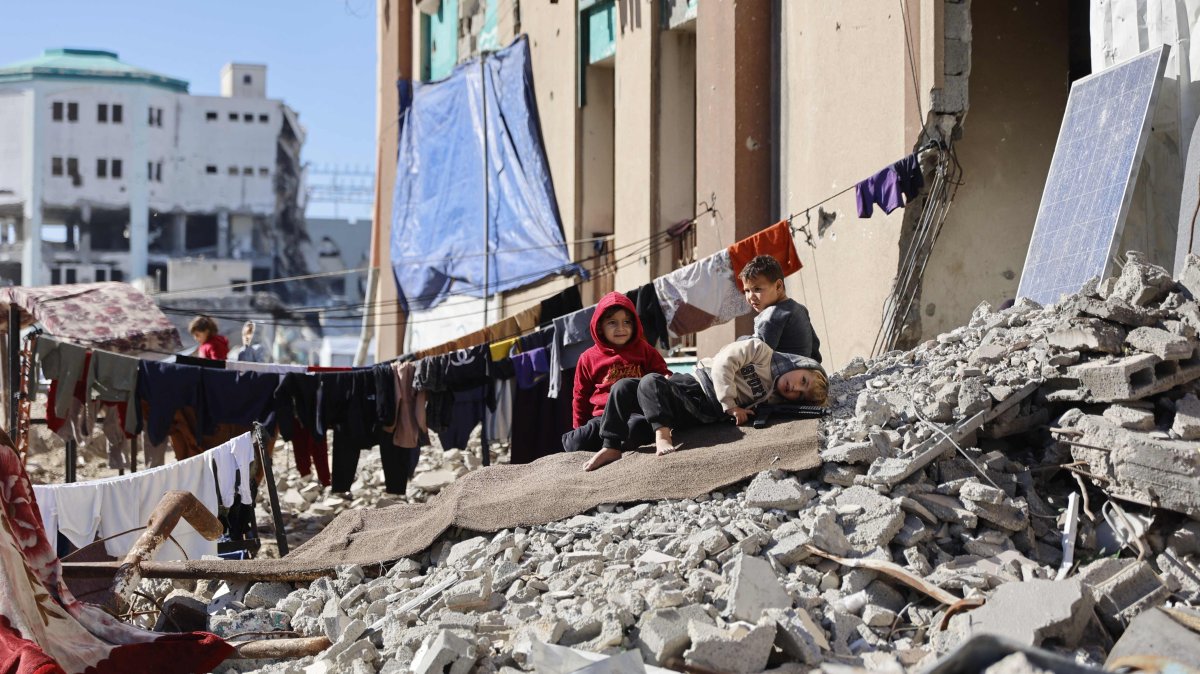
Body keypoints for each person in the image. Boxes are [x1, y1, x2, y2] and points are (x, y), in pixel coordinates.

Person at [586, 337, 827, 471]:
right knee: (624, 386)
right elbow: (724, 361)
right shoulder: (760, 350)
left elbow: (790, 413)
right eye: (802, 380)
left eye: (800, 394)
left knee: (650, 382)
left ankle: (663, 435)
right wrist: (730, 403)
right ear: (798, 365)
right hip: (695, 384)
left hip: (704, 408)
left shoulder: (773, 398)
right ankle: (611, 445)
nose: (795, 388)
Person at [564, 292, 670, 465]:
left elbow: (661, 378)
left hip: (635, 414)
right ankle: (608, 441)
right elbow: (580, 396)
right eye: (612, 322)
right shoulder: (587, 358)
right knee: (574, 442)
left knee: (636, 428)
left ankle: (616, 443)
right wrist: (580, 426)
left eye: (627, 322)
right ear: (599, 326)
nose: (621, 328)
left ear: (635, 324)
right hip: (602, 418)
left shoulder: (645, 350)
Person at [739, 254, 822, 362]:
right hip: (804, 371)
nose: (751, 296)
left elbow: (758, 353)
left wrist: (740, 341)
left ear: (778, 286)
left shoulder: (773, 315)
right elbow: (814, 346)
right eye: (747, 291)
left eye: (757, 289)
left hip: (783, 375)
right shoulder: (800, 309)